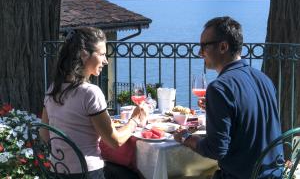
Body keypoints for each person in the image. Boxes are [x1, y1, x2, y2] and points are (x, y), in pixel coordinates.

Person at [174, 16, 283, 179]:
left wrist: (185, 137)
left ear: (223, 47)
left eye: (204, 47)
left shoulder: (220, 88)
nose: (200, 53)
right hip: (273, 174)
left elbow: (216, 149)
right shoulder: (264, 79)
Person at [41, 27, 148, 179]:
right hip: (87, 173)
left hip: (57, 171)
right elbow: (115, 141)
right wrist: (135, 120)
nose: (106, 61)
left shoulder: (53, 89)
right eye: (102, 54)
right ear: (84, 55)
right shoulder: (90, 92)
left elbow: (44, 135)